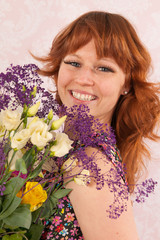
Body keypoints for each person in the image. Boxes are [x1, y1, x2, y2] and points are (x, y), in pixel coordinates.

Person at [37, 11, 160, 240]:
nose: (83, 78)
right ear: (57, 70)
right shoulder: (63, 151)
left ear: (126, 83)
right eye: (73, 63)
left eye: (104, 68)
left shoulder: (89, 165)